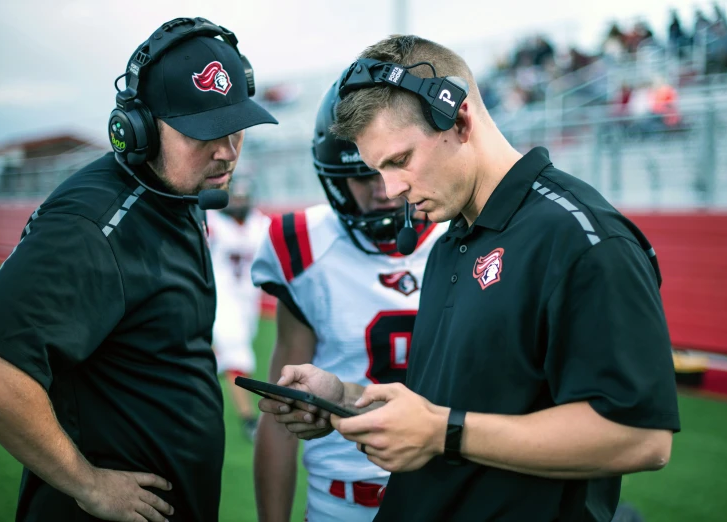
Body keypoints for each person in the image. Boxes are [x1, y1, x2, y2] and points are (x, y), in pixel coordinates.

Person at [258, 35, 679, 522]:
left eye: (399, 161)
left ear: (459, 120)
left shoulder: (581, 239)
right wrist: (346, 397)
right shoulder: (452, 239)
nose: (391, 189)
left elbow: (641, 438)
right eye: (376, 170)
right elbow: (454, 404)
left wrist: (442, 431)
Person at [0, 17, 276, 522]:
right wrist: (89, 484)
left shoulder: (176, 190)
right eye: (203, 133)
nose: (227, 152)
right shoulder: (95, 222)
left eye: (235, 130)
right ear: (138, 128)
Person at [251, 76, 448, 522]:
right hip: (342, 502)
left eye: (395, 164)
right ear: (335, 178)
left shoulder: (466, 234)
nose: (384, 189)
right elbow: (282, 411)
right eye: (363, 174)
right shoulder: (302, 244)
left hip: (453, 492)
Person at [206, 176, 270, 441]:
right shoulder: (211, 222)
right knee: (240, 357)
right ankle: (249, 421)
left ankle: (207, 367)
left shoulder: (261, 224)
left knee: (232, 354)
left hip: (248, 299)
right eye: (235, 196)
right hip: (223, 296)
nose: (239, 201)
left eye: (244, 197)